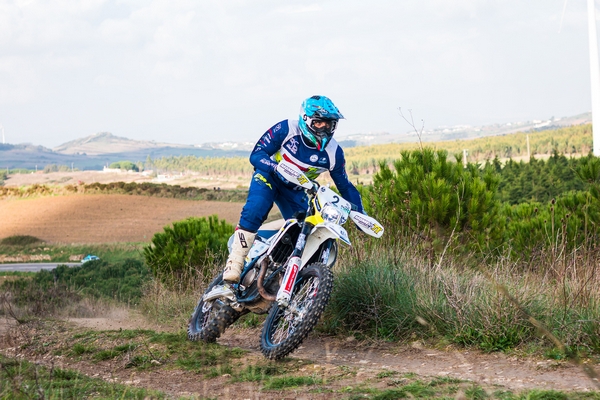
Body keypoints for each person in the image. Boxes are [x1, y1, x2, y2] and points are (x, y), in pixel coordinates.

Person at [223, 95, 365, 283]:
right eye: (319, 123)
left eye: (329, 124)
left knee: (305, 233)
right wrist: (275, 167)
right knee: (256, 208)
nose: (324, 129)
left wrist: (360, 214)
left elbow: (345, 186)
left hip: (295, 190)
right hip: (269, 176)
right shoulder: (286, 129)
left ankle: (279, 277)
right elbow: (256, 155)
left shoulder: (334, 152)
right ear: (305, 119)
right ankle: (235, 262)